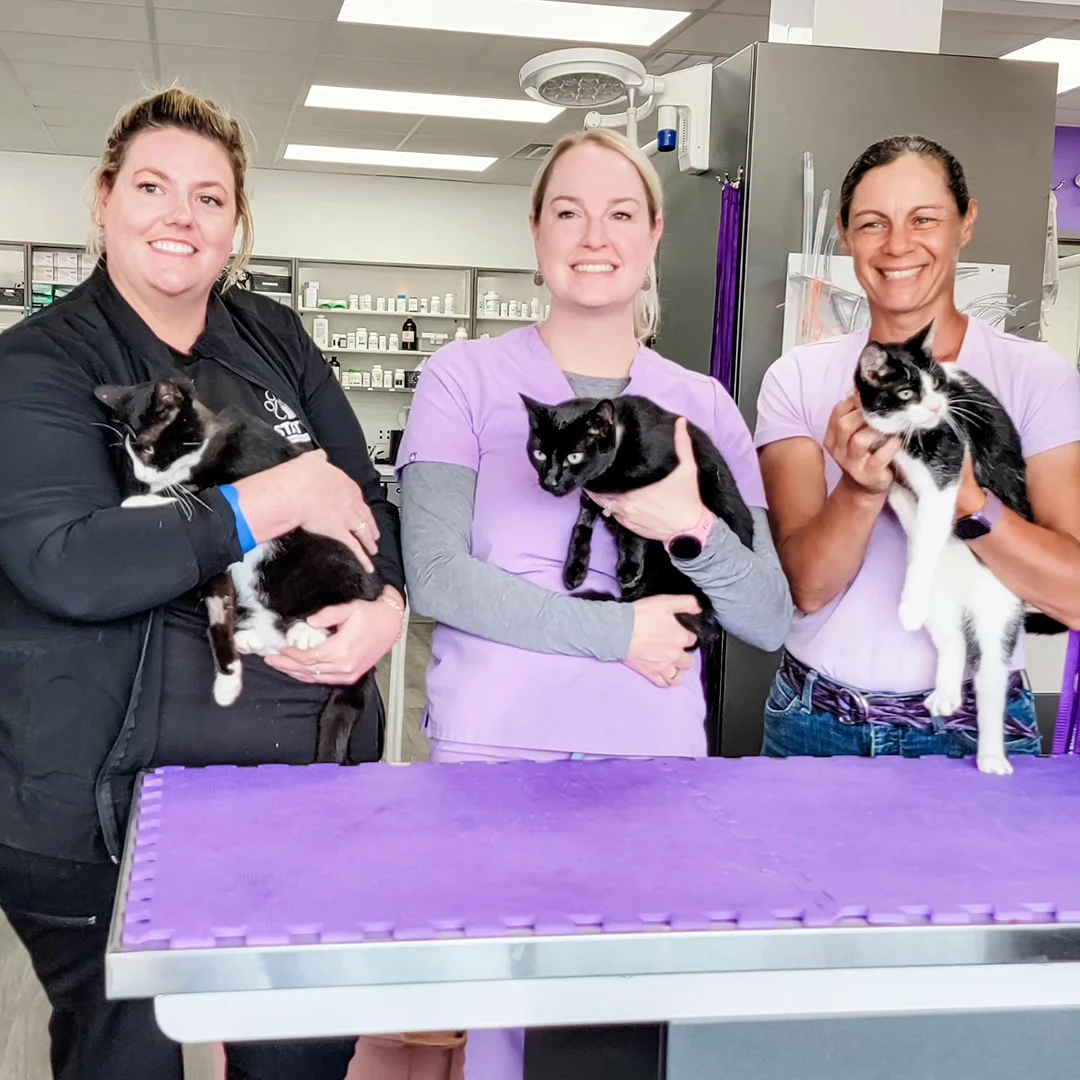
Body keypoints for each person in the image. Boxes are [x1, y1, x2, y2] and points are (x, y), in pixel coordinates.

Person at [0, 89, 405, 1080]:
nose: (180, 214)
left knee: (304, 1048)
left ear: (236, 225)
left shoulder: (270, 336)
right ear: (103, 200)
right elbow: (70, 563)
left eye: (209, 196)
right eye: (152, 186)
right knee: (127, 1055)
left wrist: (385, 607)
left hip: (299, 798)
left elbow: (368, 511)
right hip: (100, 817)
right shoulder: (36, 367)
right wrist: (273, 494)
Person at [394, 127, 792, 1080]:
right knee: (502, 1041)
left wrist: (688, 525)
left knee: (626, 1041)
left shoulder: (703, 406)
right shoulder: (466, 379)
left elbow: (771, 615)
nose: (593, 235)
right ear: (536, 233)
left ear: (654, 235)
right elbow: (437, 576)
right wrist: (618, 631)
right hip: (495, 757)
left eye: (620, 214)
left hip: (651, 768)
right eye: (567, 212)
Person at [754, 134, 1080, 759]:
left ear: (966, 223)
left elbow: (1070, 596)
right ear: (846, 237)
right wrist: (857, 490)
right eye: (873, 223)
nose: (898, 244)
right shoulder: (796, 378)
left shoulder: (1036, 377)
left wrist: (967, 504)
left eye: (924, 218)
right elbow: (805, 590)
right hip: (820, 718)